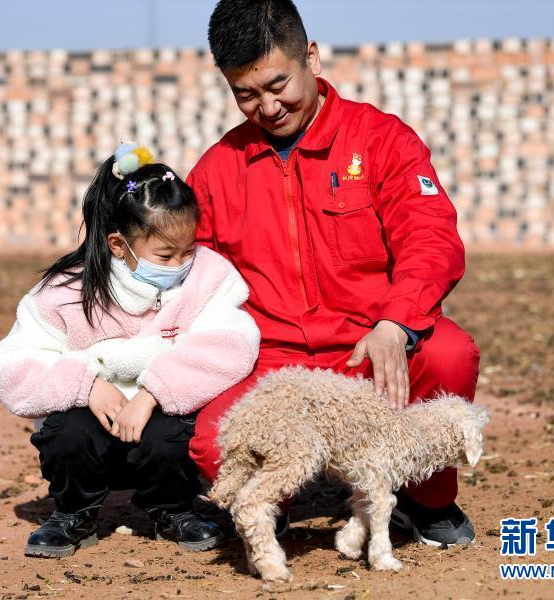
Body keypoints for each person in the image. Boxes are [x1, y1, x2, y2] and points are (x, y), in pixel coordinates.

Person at [187, 0, 481, 546]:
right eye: (246, 94)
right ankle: (270, 504)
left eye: (278, 85)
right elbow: (187, 275)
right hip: (272, 364)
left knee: (449, 355)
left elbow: (430, 237)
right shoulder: (216, 170)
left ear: (312, 59)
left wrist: (396, 324)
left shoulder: (381, 139)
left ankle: (423, 497)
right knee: (213, 442)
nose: (267, 107)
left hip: (369, 346)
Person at [0, 142, 260, 557]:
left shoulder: (209, 277)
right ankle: (74, 511)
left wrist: (154, 393)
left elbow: (231, 344)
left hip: (160, 429)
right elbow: (14, 365)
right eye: (164, 255)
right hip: (95, 427)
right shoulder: (65, 291)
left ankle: (173, 509)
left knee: (173, 433)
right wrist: (85, 385)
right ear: (119, 245)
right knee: (67, 431)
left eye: (188, 251)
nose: (179, 265)